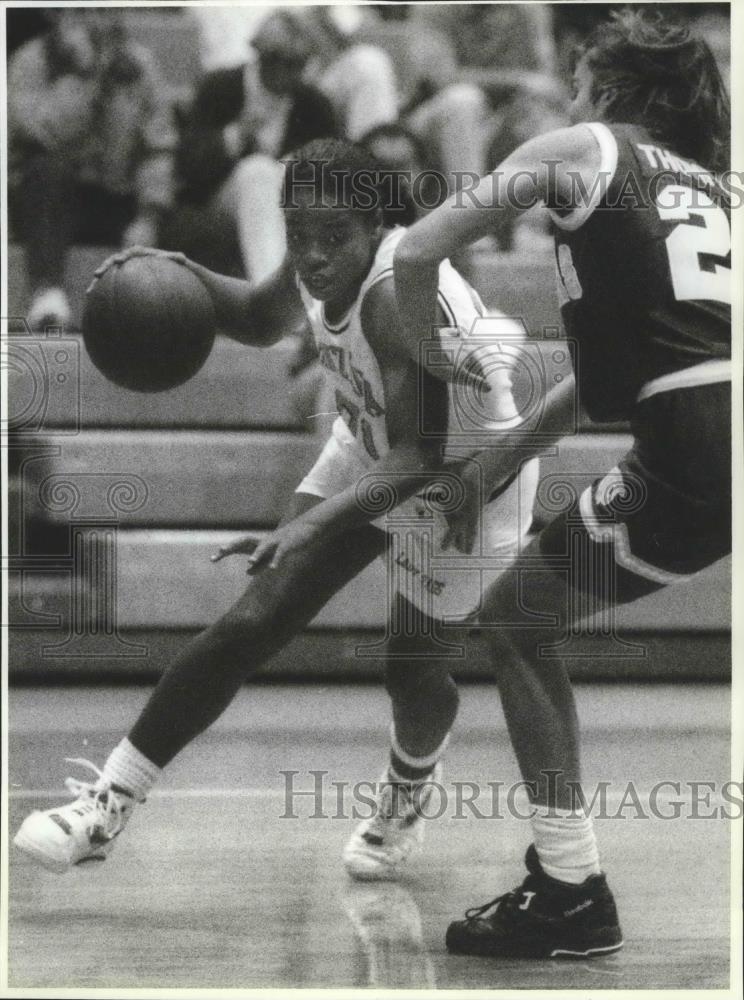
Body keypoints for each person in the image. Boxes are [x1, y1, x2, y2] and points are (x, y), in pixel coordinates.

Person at [14, 138, 539, 885]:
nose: (313, 257)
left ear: (378, 226)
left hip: (467, 479)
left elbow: (422, 456)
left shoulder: (397, 295)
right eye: (299, 236)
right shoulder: (320, 260)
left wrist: (308, 521)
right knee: (254, 619)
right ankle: (107, 804)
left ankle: (407, 793)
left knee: (412, 669)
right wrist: (164, 270)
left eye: (333, 239)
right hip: (375, 444)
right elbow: (261, 319)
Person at [393, 8, 731, 958]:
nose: (567, 99)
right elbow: (615, 375)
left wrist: (432, 360)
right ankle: (568, 883)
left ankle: (571, 889)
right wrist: (496, 466)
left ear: (612, 91)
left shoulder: (583, 146)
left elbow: (419, 249)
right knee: (525, 617)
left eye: (579, 82)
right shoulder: (718, 189)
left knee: (515, 624)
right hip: (716, 417)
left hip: (698, 441)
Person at [7, 8, 175, 329]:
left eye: (105, 11)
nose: (97, 21)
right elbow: (48, 133)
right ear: (60, 16)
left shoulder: (139, 64)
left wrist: (149, 215)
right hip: (43, 201)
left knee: (191, 223)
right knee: (45, 170)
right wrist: (84, 76)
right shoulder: (30, 61)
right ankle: (47, 294)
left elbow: (158, 146)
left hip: (113, 194)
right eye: (83, 11)